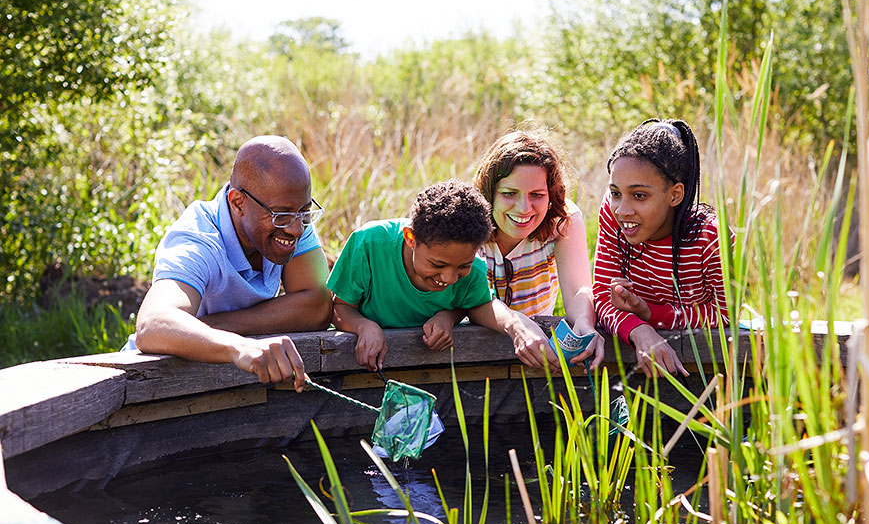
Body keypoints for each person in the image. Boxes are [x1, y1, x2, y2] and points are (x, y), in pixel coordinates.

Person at [134, 135, 334, 391]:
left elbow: (317, 305)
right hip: (158, 385)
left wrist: (212, 327)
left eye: (305, 212)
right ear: (238, 203)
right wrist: (238, 346)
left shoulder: (291, 215)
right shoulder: (199, 239)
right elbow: (152, 324)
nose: (296, 229)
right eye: (281, 215)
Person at [327, 179, 560, 373]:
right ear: (411, 238)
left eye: (462, 267)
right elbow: (339, 309)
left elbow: (477, 306)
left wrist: (449, 317)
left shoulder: (474, 269)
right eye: (437, 264)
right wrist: (364, 327)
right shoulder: (369, 244)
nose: (449, 278)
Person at [593, 119, 730, 378]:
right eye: (615, 193)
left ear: (675, 195)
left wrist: (650, 314)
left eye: (639, 195)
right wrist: (640, 330)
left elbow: (723, 315)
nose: (622, 209)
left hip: (703, 374)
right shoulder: (612, 216)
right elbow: (601, 296)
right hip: (630, 367)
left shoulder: (711, 238)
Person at [474, 131, 604, 369]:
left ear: (551, 195)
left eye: (537, 195)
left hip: (538, 357)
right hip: (475, 354)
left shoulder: (563, 221)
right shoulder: (470, 221)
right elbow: (473, 300)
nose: (524, 208)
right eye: (509, 193)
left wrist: (585, 323)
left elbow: (577, 289)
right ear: (490, 193)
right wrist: (516, 325)